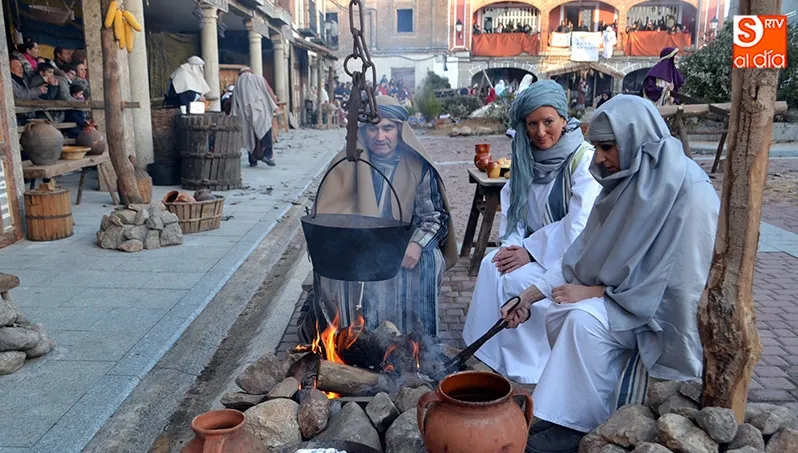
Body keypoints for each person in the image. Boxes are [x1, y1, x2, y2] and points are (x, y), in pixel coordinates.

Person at [502, 95, 719, 452]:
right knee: (564, 310)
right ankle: (565, 415)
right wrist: (526, 298)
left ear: (637, 140)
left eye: (606, 147)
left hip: (660, 318)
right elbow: (582, 252)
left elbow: (681, 285)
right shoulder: (623, 181)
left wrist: (597, 294)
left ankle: (573, 427)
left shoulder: (690, 191)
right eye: (596, 147)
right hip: (626, 301)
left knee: (580, 320)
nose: (599, 158)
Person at [463, 80, 601, 385]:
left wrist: (531, 251)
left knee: (519, 280)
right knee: (493, 265)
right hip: (531, 248)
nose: (540, 132)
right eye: (532, 124)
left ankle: (528, 368)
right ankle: (489, 353)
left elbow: (579, 227)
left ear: (564, 120)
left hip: (568, 257)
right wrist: (512, 246)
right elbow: (515, 212)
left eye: (548, 122)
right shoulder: (525, 157)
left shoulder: (582, 161)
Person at [307, 95, 458, 338]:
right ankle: (352, 341)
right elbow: (330, 215)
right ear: (363, 132)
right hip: (359, 243)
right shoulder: (347, 163)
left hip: (405, 242)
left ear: (400, 130)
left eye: (388, 128)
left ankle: (418, 343)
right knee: (340, 270)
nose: (380, 137)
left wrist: (417, 245)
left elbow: (435, 216)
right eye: (373, 129)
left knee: (429, 263)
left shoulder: (418, 166)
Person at [231, 68, 279, 167]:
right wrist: (275, 104)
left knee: (250, 135)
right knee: (265, 129)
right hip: (260, 109)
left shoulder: (238, 84)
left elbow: (234, 101)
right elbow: (269, 90)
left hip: (245, 113)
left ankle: (253, 160)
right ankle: (267, 154)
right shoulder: (258, 78)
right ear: (250, 71)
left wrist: (234, 114)